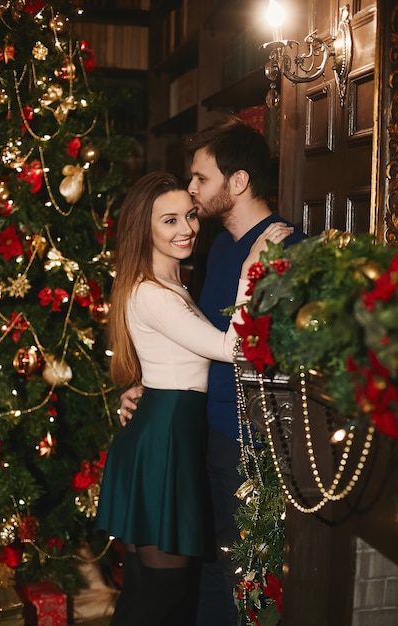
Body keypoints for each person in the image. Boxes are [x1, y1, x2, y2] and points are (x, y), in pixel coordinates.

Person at [119, 117, 307, 626]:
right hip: (200, 431)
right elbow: (194, 335)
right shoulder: (220, 245)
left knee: (242, 581)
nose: (193, 193)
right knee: (198, 574)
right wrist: (154, 382)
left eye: (200, 179)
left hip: (250, 441)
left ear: (238, 181)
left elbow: (265, 352)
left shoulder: (285, 250)